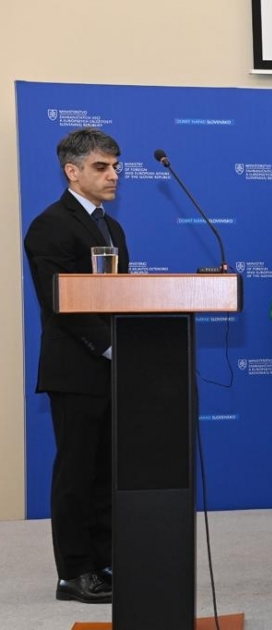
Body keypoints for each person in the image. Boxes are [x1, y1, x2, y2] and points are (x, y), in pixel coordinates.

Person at [23, 128, 130, 604]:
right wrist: (110, 347)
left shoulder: (112, 228)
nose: (113, 175)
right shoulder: (50, 225)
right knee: (77, 473)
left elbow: (120, 298)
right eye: (101, 167)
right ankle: (74, 572)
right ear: (72, 171)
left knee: (107, 472)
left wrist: (128, 347)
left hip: (114, 367)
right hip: (76, 368)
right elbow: (61, 302)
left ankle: (105, 562)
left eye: (115, 166)